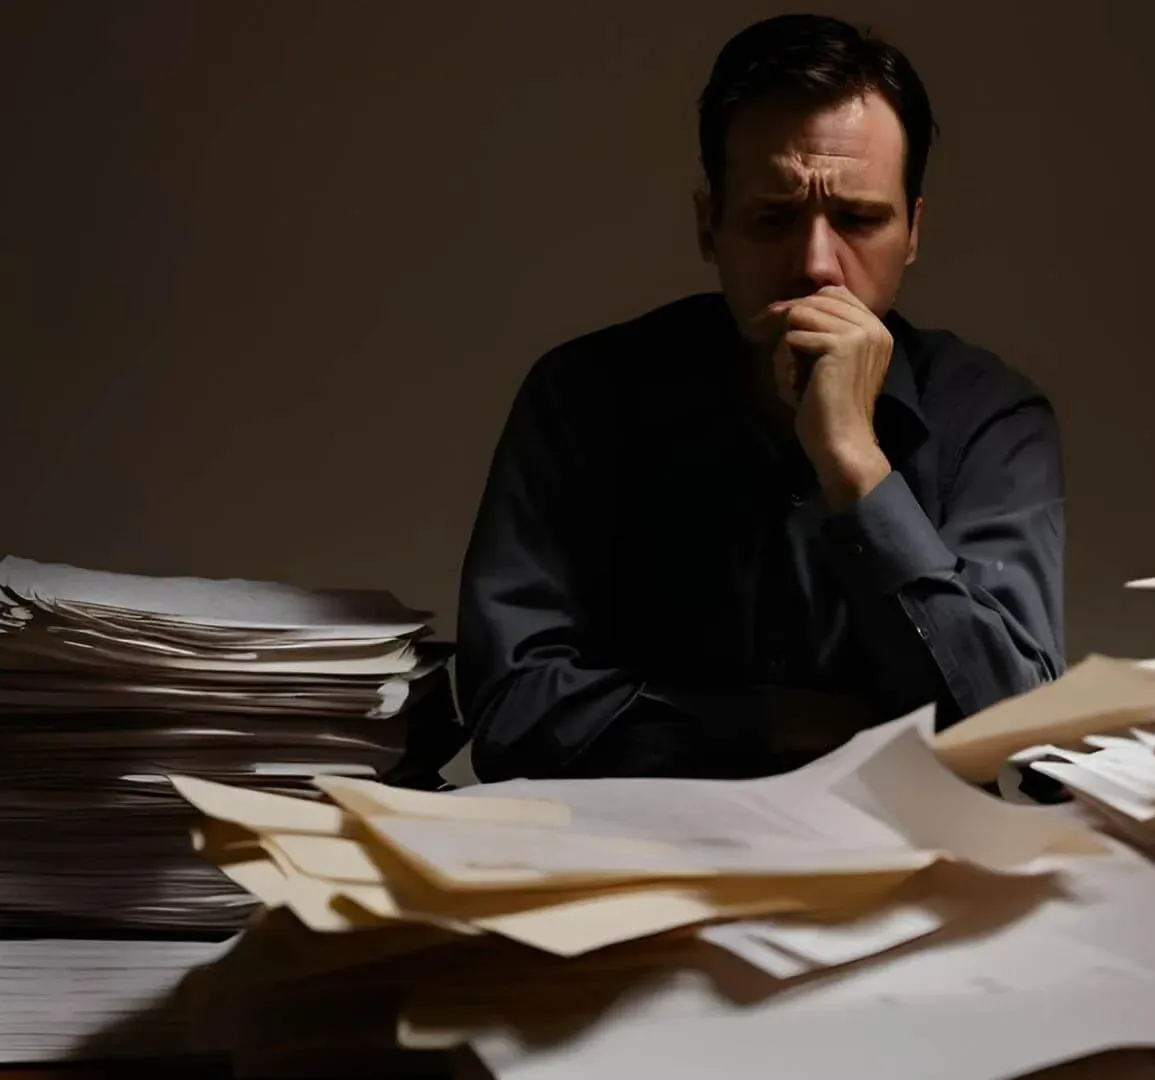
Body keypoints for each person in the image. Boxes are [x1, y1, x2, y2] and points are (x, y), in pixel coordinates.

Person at [454, 14, 1065, 781]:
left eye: (859, 218)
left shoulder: (990, 419)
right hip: (630, 870)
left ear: (913, 230)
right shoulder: (581, 398)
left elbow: (1014, 734)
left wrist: (856, 467)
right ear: (711, 227)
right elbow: (512, 714)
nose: (816, 264)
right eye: (773, 218)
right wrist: (789, 721)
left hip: (900, 874)